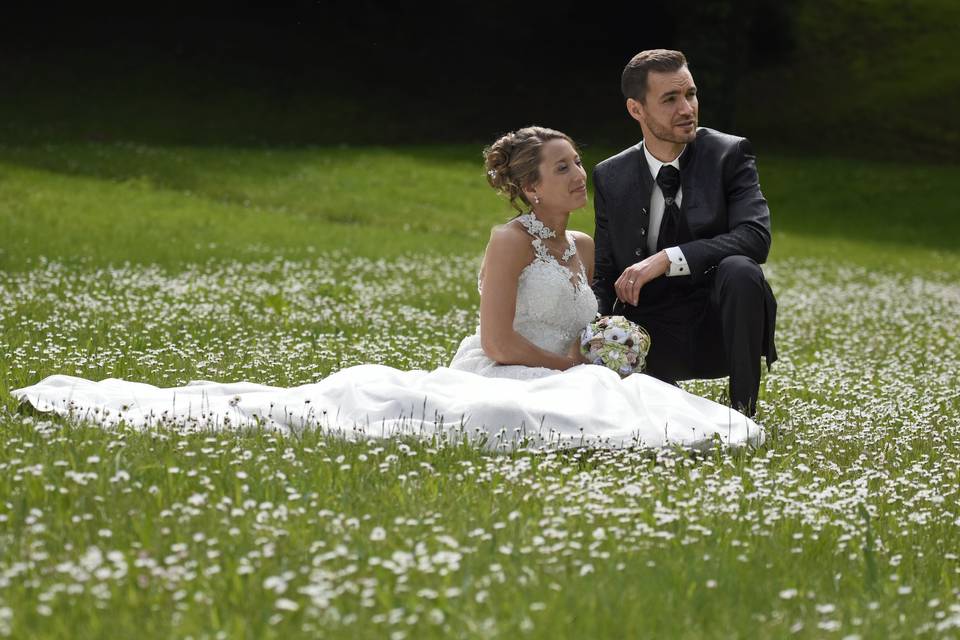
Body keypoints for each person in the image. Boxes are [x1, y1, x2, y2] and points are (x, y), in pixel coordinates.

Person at [11, 126, 761, 450]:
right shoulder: (509, 244)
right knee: (505, 412)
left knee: (633, 409)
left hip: (561, 371)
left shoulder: (587, 244)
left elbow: (581, 325)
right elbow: (499, 342)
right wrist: (574, 368)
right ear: (532, 190)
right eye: (563, 167)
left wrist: (603, 351)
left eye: (576, 163)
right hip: (509, 369)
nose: (579, 174)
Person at [592, 49, 777, 416]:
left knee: (741, 270)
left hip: (719, 329)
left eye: (690, 94)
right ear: (636, 110)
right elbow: (606, 271)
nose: (687, 109)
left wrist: (665, 259)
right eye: (670, 99)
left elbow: (755, 237)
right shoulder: (610, 176)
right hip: (652, 332)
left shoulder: (729, 154)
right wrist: (594, 336)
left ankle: (744, 413)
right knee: (663, 420)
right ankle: (655, 393)